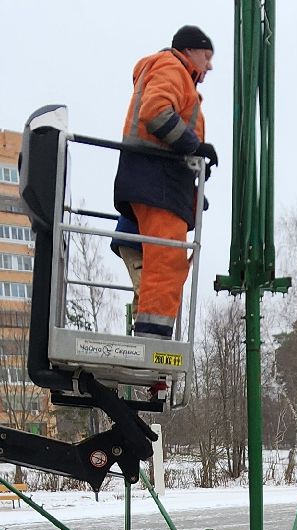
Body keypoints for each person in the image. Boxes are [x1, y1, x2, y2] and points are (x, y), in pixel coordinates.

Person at [112, 25, 217, 339]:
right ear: (188, 51)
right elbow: (156, 113)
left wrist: (193, 174)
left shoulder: (174, 75)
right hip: (158, 183)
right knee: (165, 263)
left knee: (164, 264)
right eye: (206, 56)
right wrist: (194, 148)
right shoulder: (172, 68)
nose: (210, 65)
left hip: (161, 182)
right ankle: (152, 338)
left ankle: (150, 334)